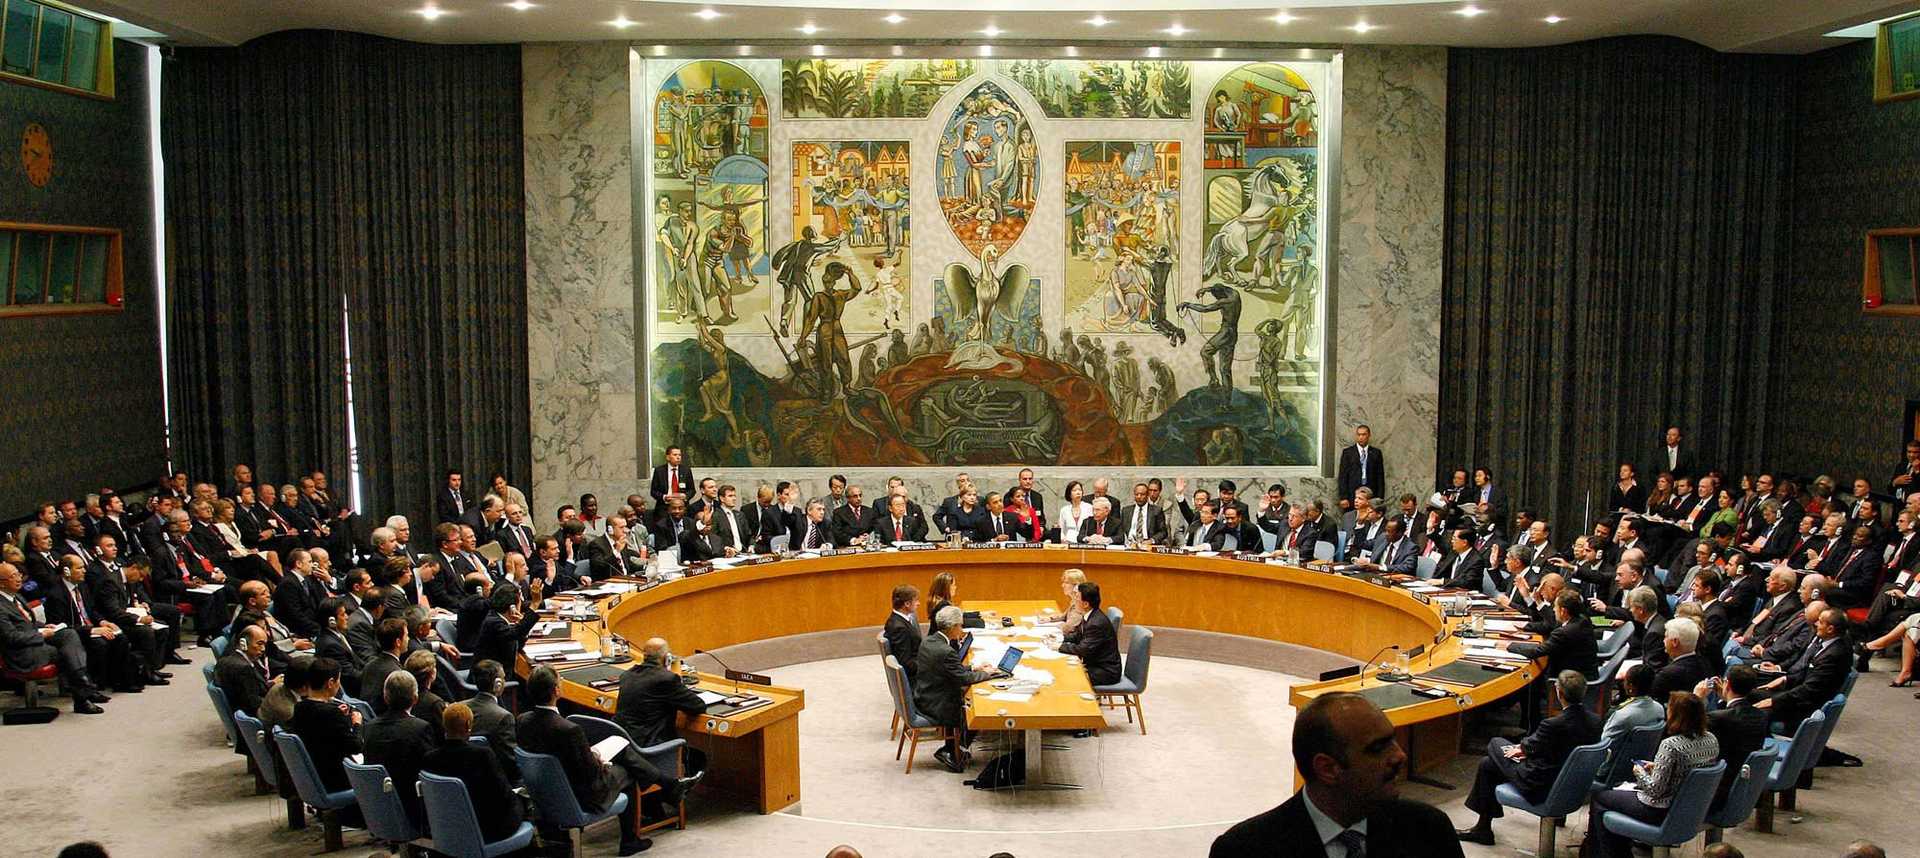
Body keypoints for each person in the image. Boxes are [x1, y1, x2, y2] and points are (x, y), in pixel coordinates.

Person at [1211, 692, 1462, 857]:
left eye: (1393, 741)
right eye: (1378, 748)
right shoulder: (1243, 851)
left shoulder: (1428, 829)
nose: (1399, 756)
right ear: (1328, 769)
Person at [519, 666, 695, 857]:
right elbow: (590, 774)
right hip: (581, 795)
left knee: (621, 749)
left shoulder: (522, 720)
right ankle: (630, 840)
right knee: (628, 771)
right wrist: (600, 762)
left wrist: (591, 754)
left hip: (547, 790)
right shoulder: (569, 730)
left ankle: (668, 787)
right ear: (556, 691)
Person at [1457, 671, 1602, 845]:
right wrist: (1527, 749)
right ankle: (1483, 829)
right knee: (1488, 764)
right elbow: (1546, 747)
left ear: (1559, 693)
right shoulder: (1595, 720)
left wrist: (1523, 748)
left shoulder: (1552, 725)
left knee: (1495, 745)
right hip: (1569, 782)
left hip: (1539, 783)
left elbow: (1532, 744)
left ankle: (1483, 829)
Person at [1584, 691, 1719, 858]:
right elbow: (1691, 769)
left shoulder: (1670, 745)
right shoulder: (1711, 739)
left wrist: (1639, 772)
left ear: (1677, 714)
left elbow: (1655, 790)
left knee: (1600, 797)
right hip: (1688, 807)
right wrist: (1658, 766)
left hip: (1659, 808)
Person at [0, 561, 107, 713]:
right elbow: (11, 637)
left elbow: (27, 623)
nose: (19, 578)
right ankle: (83, 692)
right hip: (21, 654)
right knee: (68, 652)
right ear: (2, 583)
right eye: (13, 576)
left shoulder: (16, 597)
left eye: (19, 574)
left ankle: (83, 690)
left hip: (35, 642)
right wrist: (40, 633)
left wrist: (43, 627)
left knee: (69, 634)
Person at [911, 605, 999, 773]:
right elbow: (962, 679)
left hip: (925, 695)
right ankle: (952, 751)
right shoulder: (946, 651)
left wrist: (974, 667)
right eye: (960, 625)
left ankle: (955, 749)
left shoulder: (929, 641)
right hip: (937, 704)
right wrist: (988, 674)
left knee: (968, 704)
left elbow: (950, 670)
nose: (962, 629)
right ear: (952, 627)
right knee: (972, 712)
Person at [421, 702, 525, 843]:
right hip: (486, 830)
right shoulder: (483, 755)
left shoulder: (430, 759)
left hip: (449, 827)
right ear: (468, 725)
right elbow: (503, 794)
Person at [614, 638, 710, 777]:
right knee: (697, 758)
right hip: (649, 747)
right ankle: (675, 791)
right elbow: (698, 706)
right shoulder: (667, 679)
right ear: (667, 658)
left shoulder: (627, 675)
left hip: (625, 746)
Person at [1753, 606, 1850, 729]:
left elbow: (1809, 689)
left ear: (1830, 629)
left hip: (1803, 706)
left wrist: (1774, 701)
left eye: (1820, 622)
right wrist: (1786, 679)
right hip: (1798, 694)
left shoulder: (1834, 655)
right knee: (1750, 693)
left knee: (1753, 712)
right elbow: (1807, 673)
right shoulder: (1829, 646)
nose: (1815, 624)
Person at [363, 670, 436, 825]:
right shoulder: (420, 728)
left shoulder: (369, 727)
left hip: (379, 807)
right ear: (415, 698)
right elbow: (431, 770)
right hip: (414, 810)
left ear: (385, 697)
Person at [287, 657, 364, 797]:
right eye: (338, 680)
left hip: (314, 775)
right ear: (330, 683)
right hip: (336, 779)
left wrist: (341, 718)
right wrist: (356, 724)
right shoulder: (331, 713)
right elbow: (356, 746)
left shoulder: (299, 707)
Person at [1695, 666, 1770, 809]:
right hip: (1743, 785)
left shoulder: (1718, 718)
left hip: (1716, 789)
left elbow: (1686, 734)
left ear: (1727, 684)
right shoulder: (1761, 715)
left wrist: (1697, 699)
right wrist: (1725, 697)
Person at [1509, 590, 1599, 680]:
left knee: (1532, 679)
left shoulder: (1564, 632)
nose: (1553, 609)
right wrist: (1525, 627)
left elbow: (1536, 652)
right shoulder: (1582, 620)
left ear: (1563, 611)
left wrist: (1509, 646)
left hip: (1573, 680)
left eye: (1555, 607)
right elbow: (1550, 625)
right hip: (1588, 671)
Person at [464, 659, 522, 782]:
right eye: (504, 678)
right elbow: (510, 761)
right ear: (498, 684)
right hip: (496, 779)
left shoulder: (459, 708)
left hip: (468, 775)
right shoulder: (504, 717)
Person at [1058, 582, 1122, 686]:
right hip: (1094, 664)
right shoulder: (1089, 614)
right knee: (1063, 671)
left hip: (1105, 671)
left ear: (1086, 604)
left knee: (1066, 678)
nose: (1074, 600)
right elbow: (1077, 636)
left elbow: (1083, 650)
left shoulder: (1096, 623)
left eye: (1077, 597)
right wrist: (1059, 638)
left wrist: (1059, 646)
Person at [473, 586, 538, 672]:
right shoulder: (494, 623)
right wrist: (534, 604)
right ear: (512, 607)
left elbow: (517, 642)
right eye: (520, 603)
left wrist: (520, 623)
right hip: (490, 678)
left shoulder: (495, 616)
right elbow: (516, 633)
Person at [216, 623, 272, 716]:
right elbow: (254, 703)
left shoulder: (227, 658)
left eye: (264, 645)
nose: (263, 649)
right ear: (243, 644)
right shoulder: (243, 669)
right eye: (259, 644)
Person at [1650, 617, 1712, 701]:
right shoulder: (1705, 662)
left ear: (1675, 642)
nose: (1663, 641)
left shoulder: (1667, 675)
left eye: (1666, 637)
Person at [361, 618, 410, 713]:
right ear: (398, 642)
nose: (408, 639)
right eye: (406, 636)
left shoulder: (369, 665)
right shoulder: (397, 675)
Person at [1337, 425, 1386, 511]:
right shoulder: (1348, 453)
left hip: (1371, 494)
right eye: (1359, 435)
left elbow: (1380, 477)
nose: (1361, 437)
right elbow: (1343, 476)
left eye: (1364, 435)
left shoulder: (1376, 453)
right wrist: (1343, 497)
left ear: (1369, 435)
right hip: (1352, 495)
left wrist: (1380, 497)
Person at [883, 584, 921, 677]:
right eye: (916, 600)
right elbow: (906, 663)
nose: (918, 603)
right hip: (916, 678)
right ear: (907, 604)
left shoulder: (897, 620)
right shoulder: (899, 628)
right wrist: (929, 665)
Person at [1039, 569, 1088, 633]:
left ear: (1077, 585)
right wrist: (1050, 619)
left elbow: (1068, 628)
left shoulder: (1080, 603)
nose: (1063, 585)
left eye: (1066, 583)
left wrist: (1060, 625)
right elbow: (1064, 616)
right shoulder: (1074, 600)